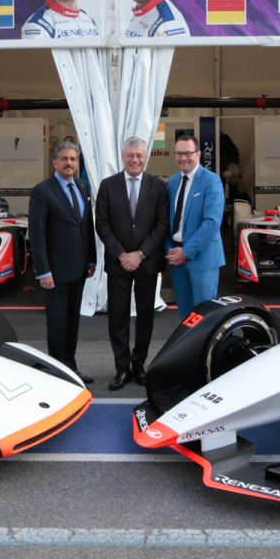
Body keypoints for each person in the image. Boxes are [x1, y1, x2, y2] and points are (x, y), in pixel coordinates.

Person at [94, 137, 169, 391]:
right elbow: (102, 223)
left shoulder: (158, 186)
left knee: (145, 317)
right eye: (130, 155)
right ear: (123, 157)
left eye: (139, 155)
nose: (135, 160)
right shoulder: (108, 185)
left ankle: (139, 366)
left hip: (147, 263)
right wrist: (122, 254)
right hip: (119, 263)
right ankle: (122, 369)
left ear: (145, 158)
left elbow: (162, 225)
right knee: (118, 317)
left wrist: (141, 254)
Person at [28, 141, 97, 382]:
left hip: (79, 269)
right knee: (57, 322)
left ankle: (71, 366)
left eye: (73, 159)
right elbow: (36, 234)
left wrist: (91, 259)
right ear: (55, 162)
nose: (69, 163)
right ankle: (59, 371)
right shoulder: (42, 191)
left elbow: (86, 226)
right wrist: (43, 271)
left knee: (72, 321)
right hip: (54, 272)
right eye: (65, 159)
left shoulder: (82, 187)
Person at [164, 133, 225, 316]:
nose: (183, 158)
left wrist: (186, 251)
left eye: (188, 153)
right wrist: (170, 250)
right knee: (186, 316)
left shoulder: (211, 181)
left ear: (198, 154)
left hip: (202, 259)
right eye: (179, 153)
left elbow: (212, 223)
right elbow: (167, 220)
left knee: (204, 316)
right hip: (177, 260)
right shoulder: (173, 182)